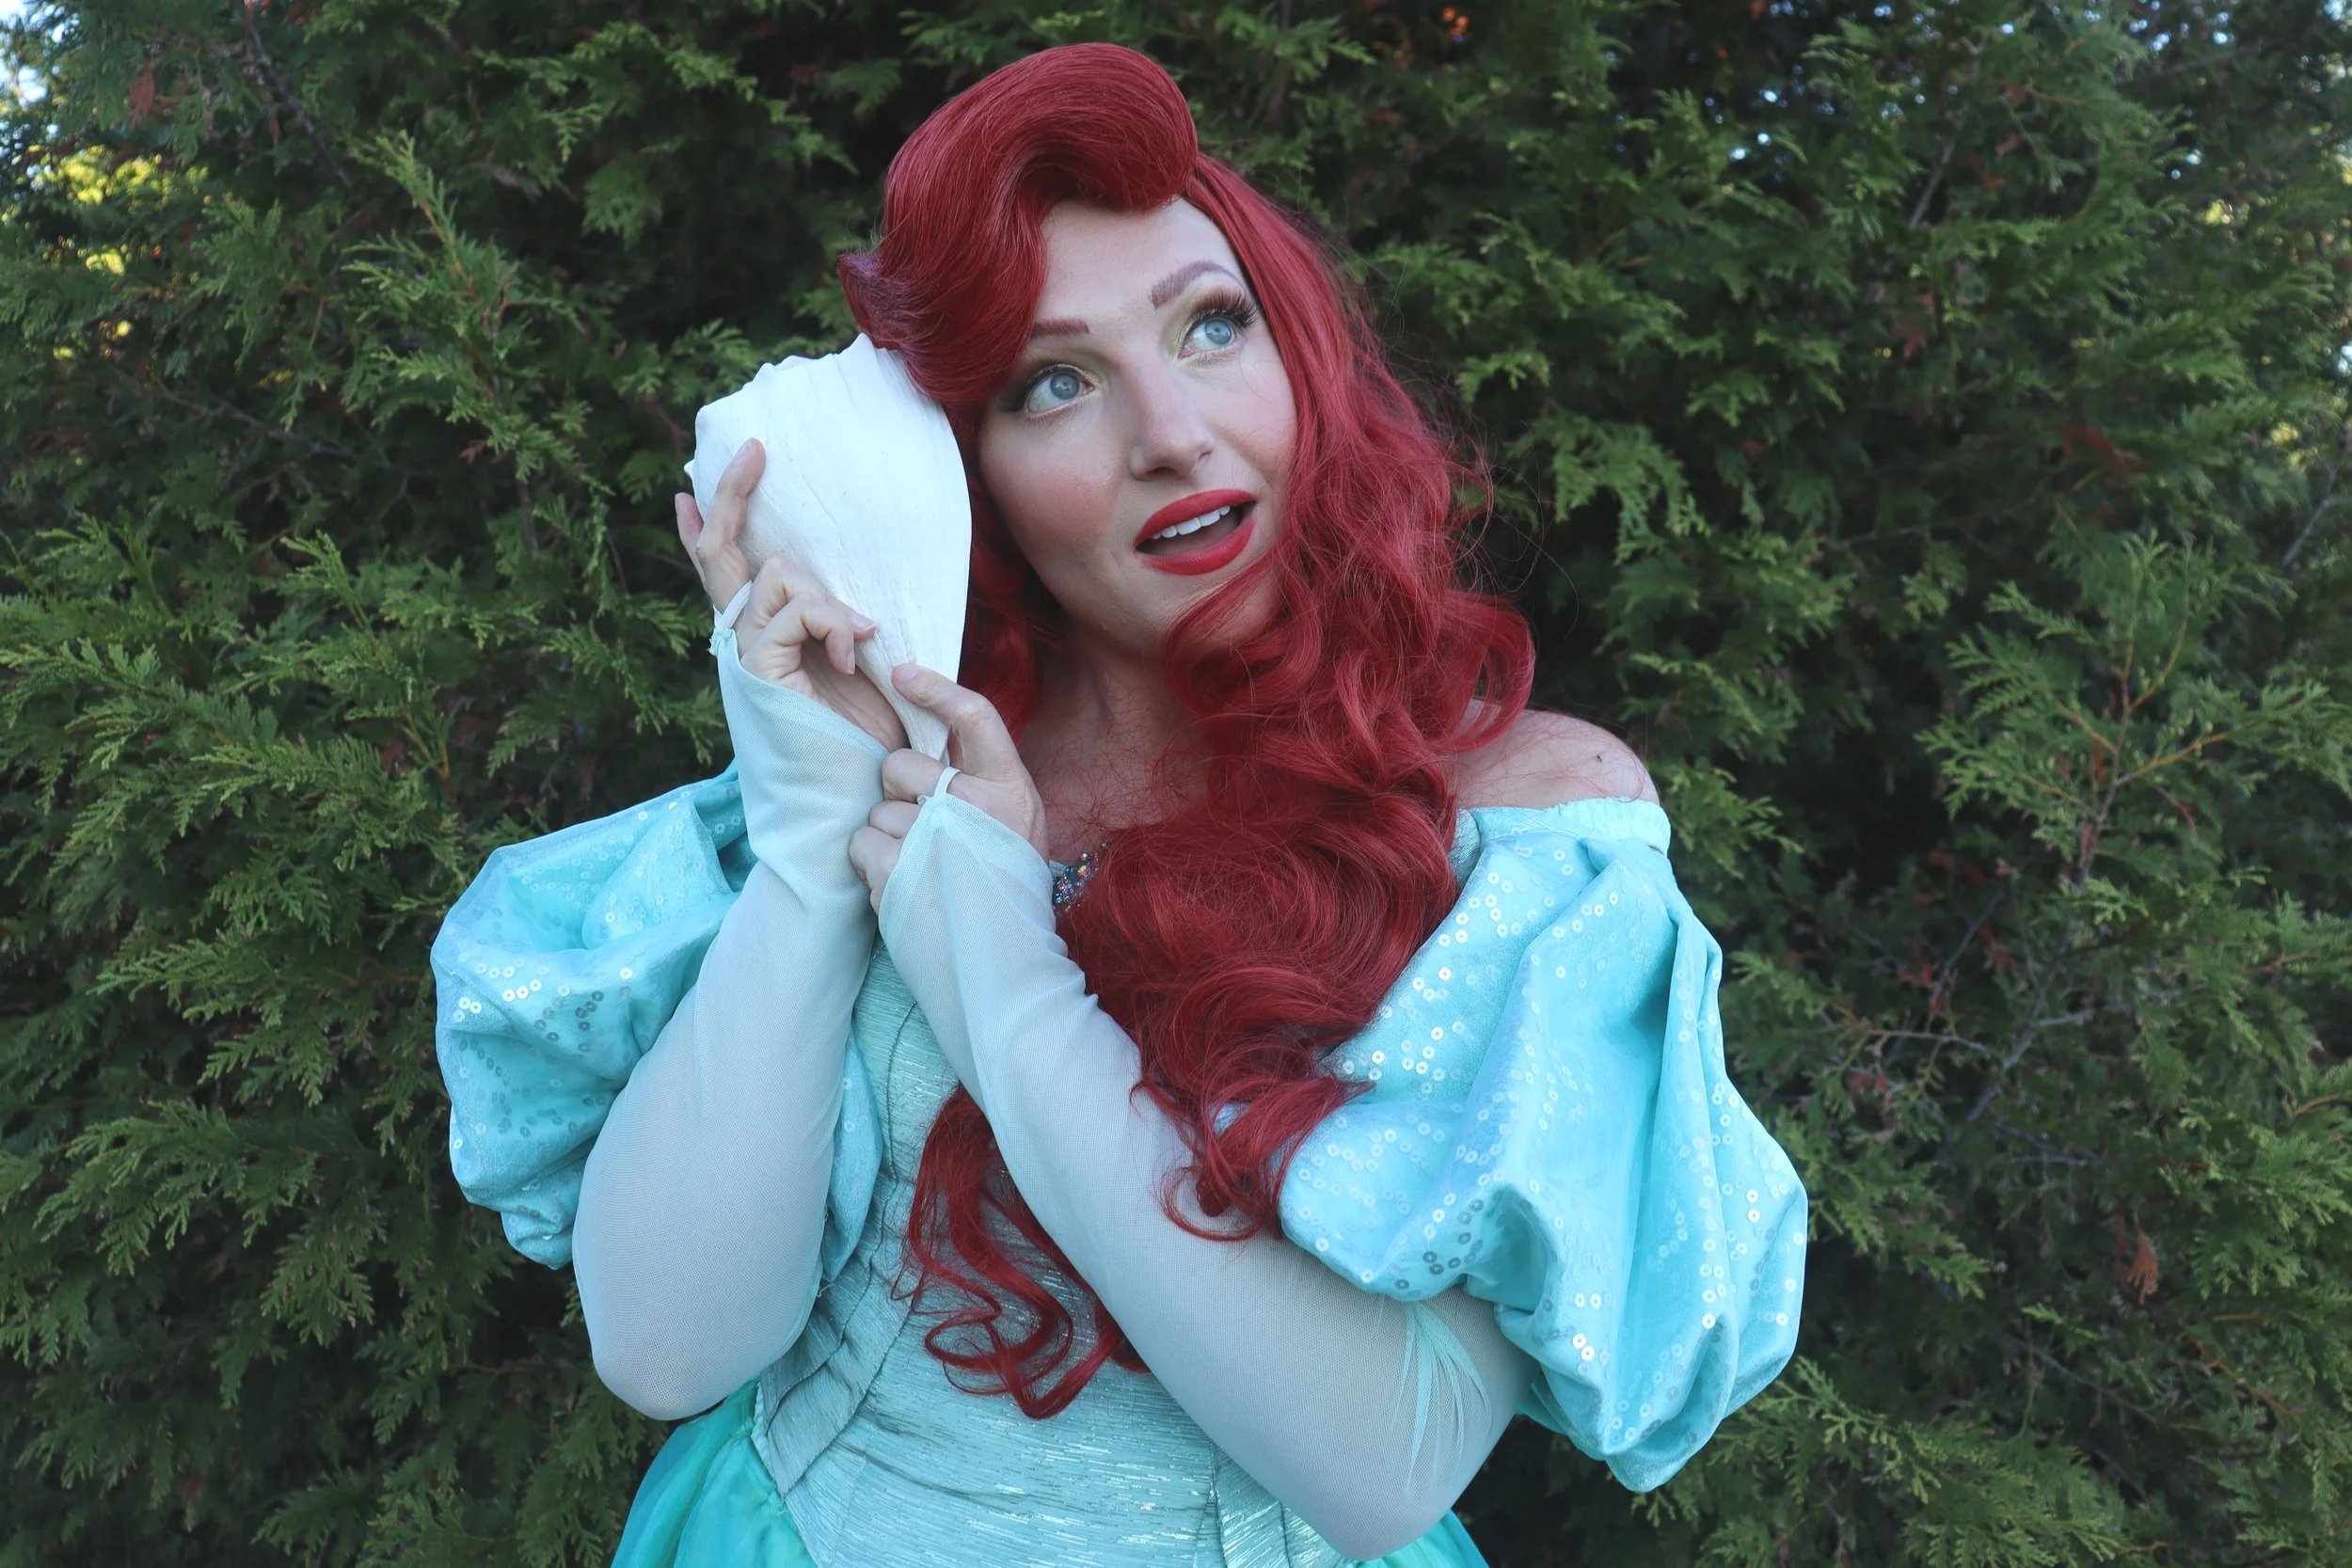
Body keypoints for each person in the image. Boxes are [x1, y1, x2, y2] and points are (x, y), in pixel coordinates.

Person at [431, 42, 1808, 1568]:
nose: (1169, 429)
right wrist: (818, 843)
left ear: (1304, 364)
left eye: (1212, 326)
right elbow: (671, 1348)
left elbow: (1384, 1462)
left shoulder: (1525, 828)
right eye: (1057, 382)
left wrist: (1006, 976)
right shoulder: (905, 763)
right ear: (974, 473)